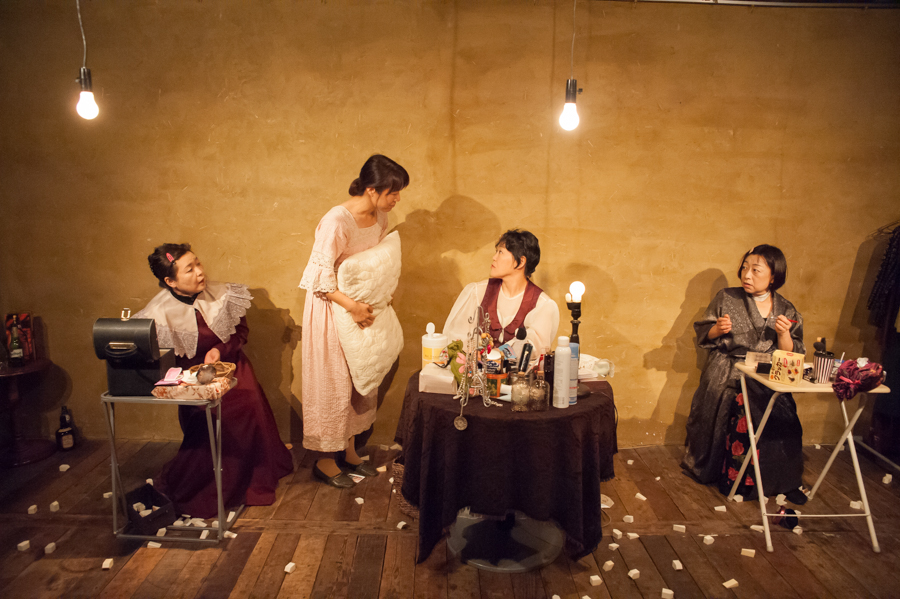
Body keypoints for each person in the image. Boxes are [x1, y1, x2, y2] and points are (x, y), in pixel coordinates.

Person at [134, 244, 294, 518]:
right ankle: (208, 487)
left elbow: (240, 332)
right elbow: (157, 356)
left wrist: (220, 350)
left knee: (248, 403)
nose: (199, 272)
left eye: (198, 264)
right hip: (193, 378)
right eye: (189, 269)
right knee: (209, 420)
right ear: (171, 281)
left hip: (232, 366)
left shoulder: (224, 295)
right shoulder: (157, 312)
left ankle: (253, 477)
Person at [299, 154, 409, 488]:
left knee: (358, 376)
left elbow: (373, 263)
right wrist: (352, 307)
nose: (397, 198)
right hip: (331, 306)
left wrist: (379, 295)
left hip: (360, 306)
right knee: (334, 380)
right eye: (392, 192)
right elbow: (318, 277)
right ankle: (324, 459)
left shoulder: (380, 218)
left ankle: (348, 452)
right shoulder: (336, 221)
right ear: (372, 189)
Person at [683, 244, 807, 503]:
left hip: (766, 375)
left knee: (783, 420)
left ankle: (780, 480)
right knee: (723, 416)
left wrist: (784, 334)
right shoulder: (726, 297)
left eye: (756, 270)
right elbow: (704, 333)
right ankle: (730, 476)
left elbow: (791, 353)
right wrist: (717, 329)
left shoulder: (786, 308)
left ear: (773, 276)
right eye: (744, 268)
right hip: (727, 368)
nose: (747, 275)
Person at [442, 229, 559, 362]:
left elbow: (533, 346)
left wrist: (499, 353)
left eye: (501, 252)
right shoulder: (478, 292)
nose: (494, 257)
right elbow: (457, 336)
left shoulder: (541, 304)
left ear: (521, 262)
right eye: (496, 251)